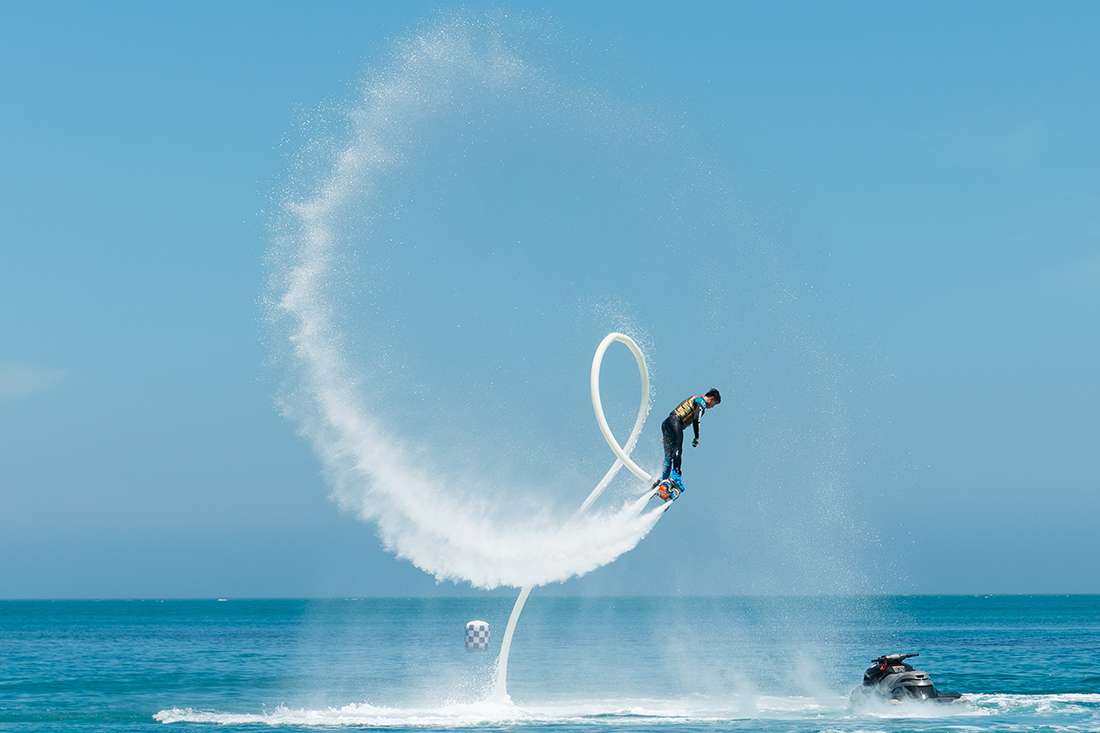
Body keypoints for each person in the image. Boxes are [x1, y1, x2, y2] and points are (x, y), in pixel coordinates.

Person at [658, 388, 721, 492]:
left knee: (669, 455)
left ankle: (664, 483)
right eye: (714, 404)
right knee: (677, 449)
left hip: (667, 423)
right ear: (711, 398)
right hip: (675, 421)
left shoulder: (695, 400)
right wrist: (696, 437)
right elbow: (696, 419)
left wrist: (667, 436)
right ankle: (676, 475)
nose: (712, 407)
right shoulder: (701, 401)